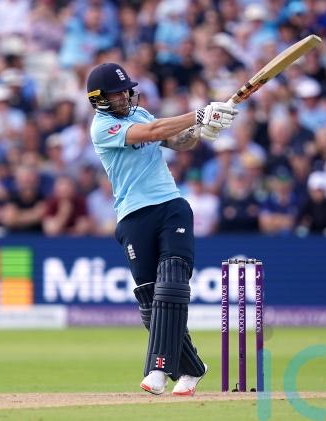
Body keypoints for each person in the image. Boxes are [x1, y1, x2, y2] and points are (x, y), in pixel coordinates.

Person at [86, 62, 237, 396]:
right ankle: (192, 368)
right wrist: (199, 114)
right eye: (116, 93)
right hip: (132, 215)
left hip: (170, 206)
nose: (125, 97)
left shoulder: (140, 114)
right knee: (149, 303)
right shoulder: (101, 127)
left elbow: (177, 141)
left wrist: (202, 130)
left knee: (171, 281)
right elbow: (153, 132)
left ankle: (157, 368)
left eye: (126, 91)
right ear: (99, 98)